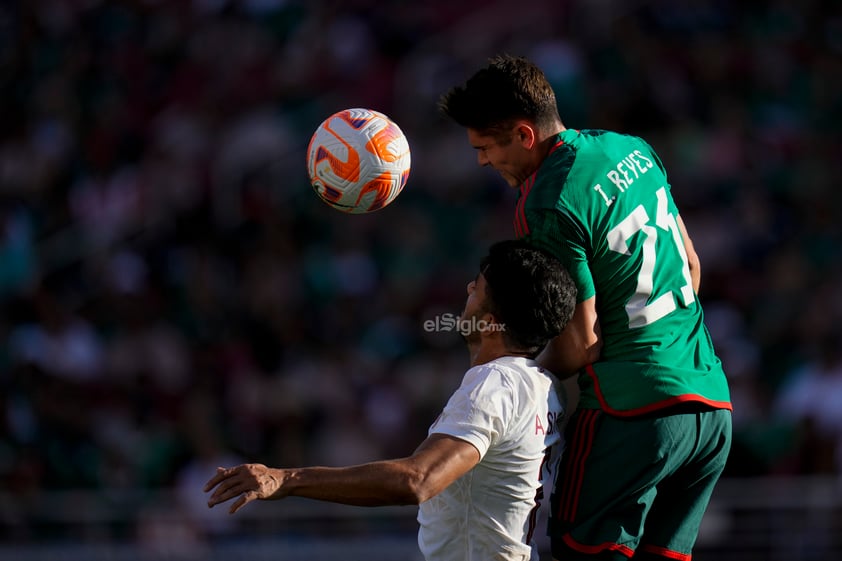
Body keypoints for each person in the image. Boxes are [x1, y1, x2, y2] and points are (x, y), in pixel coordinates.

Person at [439, 54, 732, 561]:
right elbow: (691, 265)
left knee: (584, 551)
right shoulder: (631, 148)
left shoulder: (547, 201)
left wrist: (522, 383)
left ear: (524, 136)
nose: (483, 162)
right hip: (710, 406)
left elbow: (581, 343)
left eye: (486, 147)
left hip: (633, 411)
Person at [205, 240, 578, 561]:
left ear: (491, 319)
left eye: (477, 288)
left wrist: (285, 479)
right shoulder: (544, 385)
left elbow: (419, 480)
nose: (467, 289)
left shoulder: (495, 382)